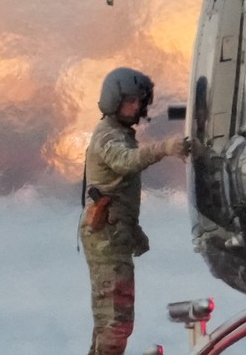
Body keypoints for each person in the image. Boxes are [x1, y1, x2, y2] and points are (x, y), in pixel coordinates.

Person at [80, 67, 191, 355]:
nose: (135, 107)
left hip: (114, 233)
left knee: (108, 320)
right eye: (130, 101)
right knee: (115, 322)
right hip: (106, 237)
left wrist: (133, 229)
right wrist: (165, 148)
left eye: (139, 102)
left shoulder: (119, 134)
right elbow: (125, 162)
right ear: (113, 100)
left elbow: (118, 189)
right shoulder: (108, 136)